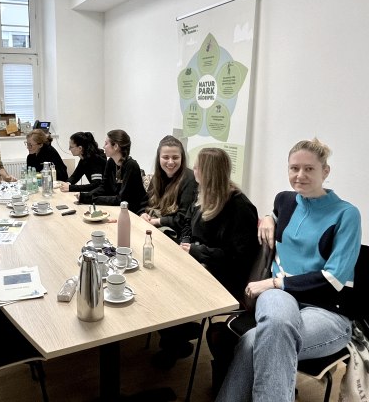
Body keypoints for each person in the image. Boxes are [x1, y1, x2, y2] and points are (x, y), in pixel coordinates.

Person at [216, 138, 361, 402]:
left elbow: (335, 278)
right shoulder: (285, 200)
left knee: (253, 342)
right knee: (275, 329)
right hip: (281, 299)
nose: (300, 175)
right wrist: (268, 218)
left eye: (309, 169)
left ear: (325, 171)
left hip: (327, 312)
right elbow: (275, 213)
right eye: (294, 168)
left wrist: (274, 283)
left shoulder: (346, 214)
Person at [152, 147, 259, 370]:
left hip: (225, 277)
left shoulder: (239, 206)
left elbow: (240, 258)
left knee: (168, 288)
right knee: (156, 277)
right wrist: (185, 245)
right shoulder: (202, 194)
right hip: (199, 264)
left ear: (208, 172)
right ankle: (177, 334)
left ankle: (176, 338)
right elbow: (187, 225)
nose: (193, 170)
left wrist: (196, 252)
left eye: (197, 167)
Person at [137, 135, 197, 241]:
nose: (170, 162)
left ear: (182, 158)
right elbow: (144, 203)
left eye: (175, 157)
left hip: (173, 235)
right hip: (150, 228)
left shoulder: (190, 178)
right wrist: (143, 214)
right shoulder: (157, 176)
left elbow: (182, 219)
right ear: (159, 158)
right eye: (165, 157)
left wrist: (156, 221)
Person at [77, 129, 146, 210]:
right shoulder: (111, 162)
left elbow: (121, 200)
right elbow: (104, 187)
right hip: (119, 208)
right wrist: (85, 196)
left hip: (135, 211)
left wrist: (89, 199)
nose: (103, 147)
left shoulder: (131, 165)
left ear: (116, 146)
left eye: (106, 143)